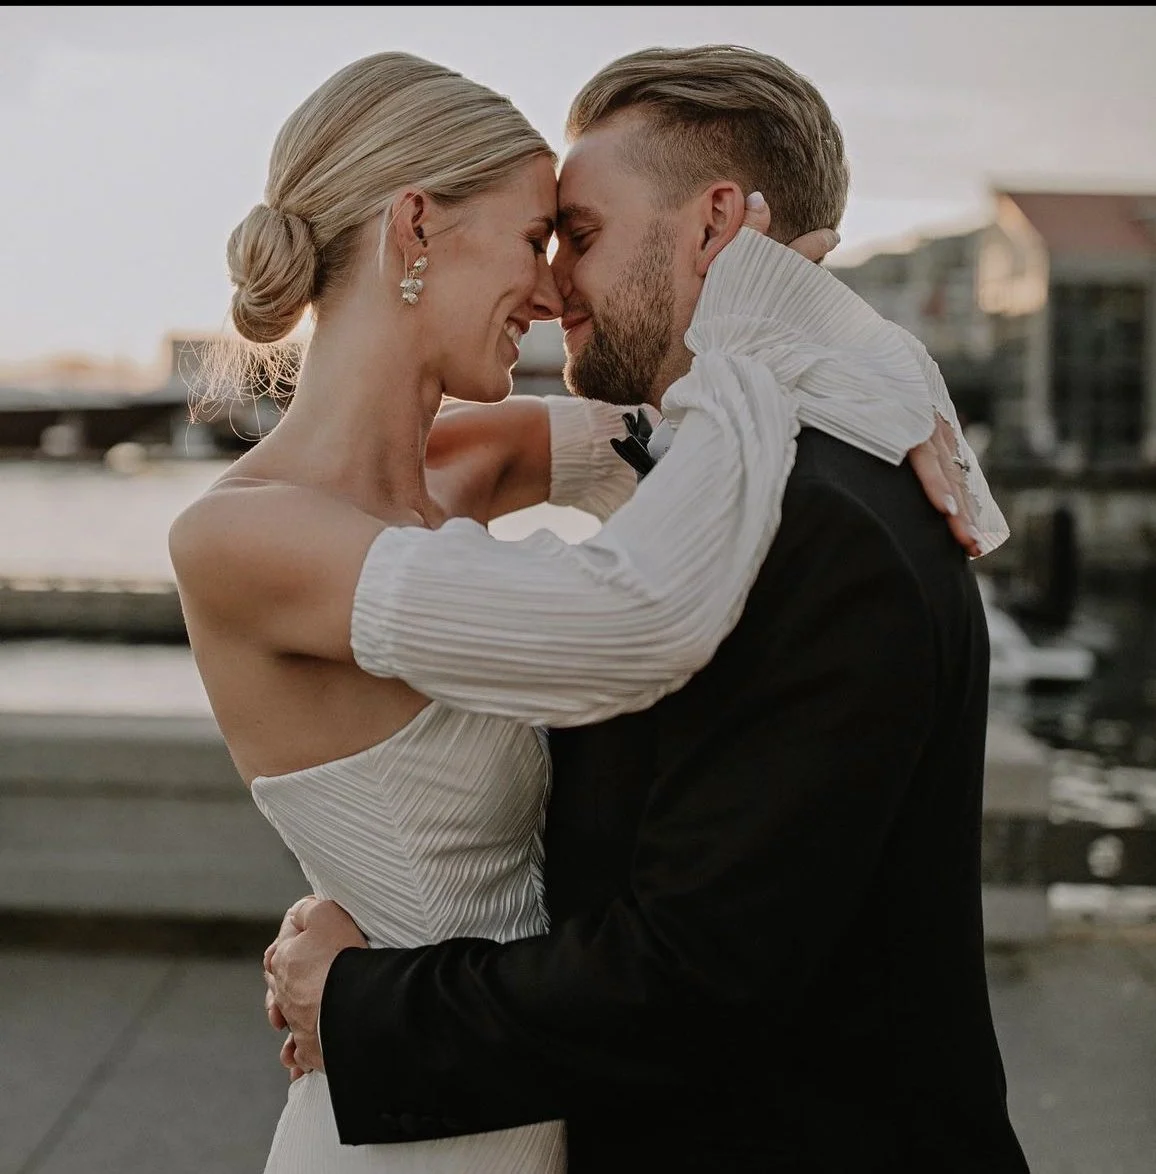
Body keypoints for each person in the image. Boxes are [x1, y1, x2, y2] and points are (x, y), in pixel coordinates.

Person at [168, 48, 1018, 1174]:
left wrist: (876, 374)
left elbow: (652, 444)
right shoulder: (240, 535)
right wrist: (768, 333)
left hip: (530, 1080)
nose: (550, 283)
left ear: (716, 229)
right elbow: (637, 607)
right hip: (431, 1122)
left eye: (573, 236)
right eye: (536, 239)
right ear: (414, 229)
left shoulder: (478, 462)